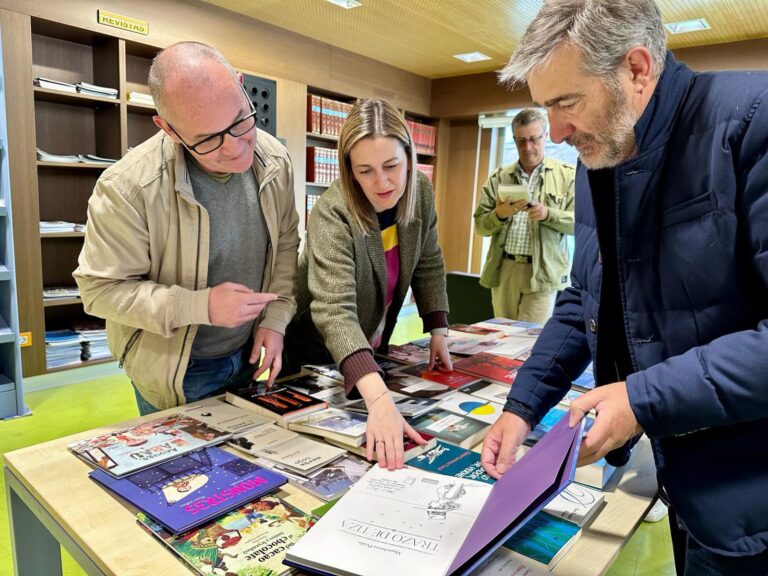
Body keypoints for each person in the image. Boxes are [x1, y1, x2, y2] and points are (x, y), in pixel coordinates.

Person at [480, 1, 768, 574]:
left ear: (637, 70)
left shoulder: (752, 120)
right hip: (687, 479)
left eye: (566, 103)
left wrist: (641, 398)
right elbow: (586, 296)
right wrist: (522, 405)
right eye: (545, 108)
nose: (557, 131)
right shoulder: (604, 151)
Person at [74, 42, 299, 414]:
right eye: (209, 139)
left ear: (242, 86)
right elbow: (100, 291)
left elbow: (286, 244)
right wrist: (200, 306)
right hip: (175, 370)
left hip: (249, 355)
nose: (234, 148)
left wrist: (274, 321)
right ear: (169, 130)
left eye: (242, 121)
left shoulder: (274, 159)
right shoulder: (128, 187)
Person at [283, 99, 452, 471]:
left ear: (409, 156)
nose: (383, 182)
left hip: (373, 340)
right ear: (350, 171)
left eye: (392, 166)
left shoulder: (420, 192)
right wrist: (379, 401)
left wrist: (437, 328)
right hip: (315, 354)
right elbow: (334, 311)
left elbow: (428, 260)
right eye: (366, 171)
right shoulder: (333, 212)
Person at [473, 108, 575, 324]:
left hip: (543, 271)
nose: (527, 147)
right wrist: (499, 215)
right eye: (521, 141)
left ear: (545, 136)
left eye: (533, 139)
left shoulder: (566, 176)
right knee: (502, 336)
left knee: (529, 340)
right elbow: (481, 226)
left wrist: (548, 214)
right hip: (504, 270)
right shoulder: (499, 177)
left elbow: (579, 224)